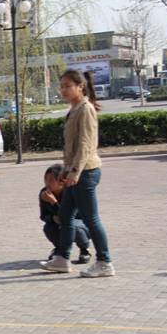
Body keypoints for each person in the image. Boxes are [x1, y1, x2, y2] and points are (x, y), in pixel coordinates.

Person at [41, 70, 115, 277]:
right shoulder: (74, 109)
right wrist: (66, 170)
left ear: (80, 86)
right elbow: (71, 148)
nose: (63, 90)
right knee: (65, 215)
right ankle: (62, 259)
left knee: (91, 219)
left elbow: (85, 145)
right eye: (62, 86)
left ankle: (104, 262)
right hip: (75, 172)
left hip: (86, 172)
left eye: (68, 86)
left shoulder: (85, 109)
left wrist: (74, 172)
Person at [39, 164, 91, 263]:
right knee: (48, 227)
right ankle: (59, 249)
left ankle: (84, 249)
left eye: (51, 180)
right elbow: (43, 215)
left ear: (61, 181)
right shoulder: (44, 193)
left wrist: (54, 203)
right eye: (46, 179)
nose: (47, 183)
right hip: (61, 222)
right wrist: (52, 218)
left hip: (80, 223)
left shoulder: (71, 191)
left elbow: (69, 216)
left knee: (73, 226)